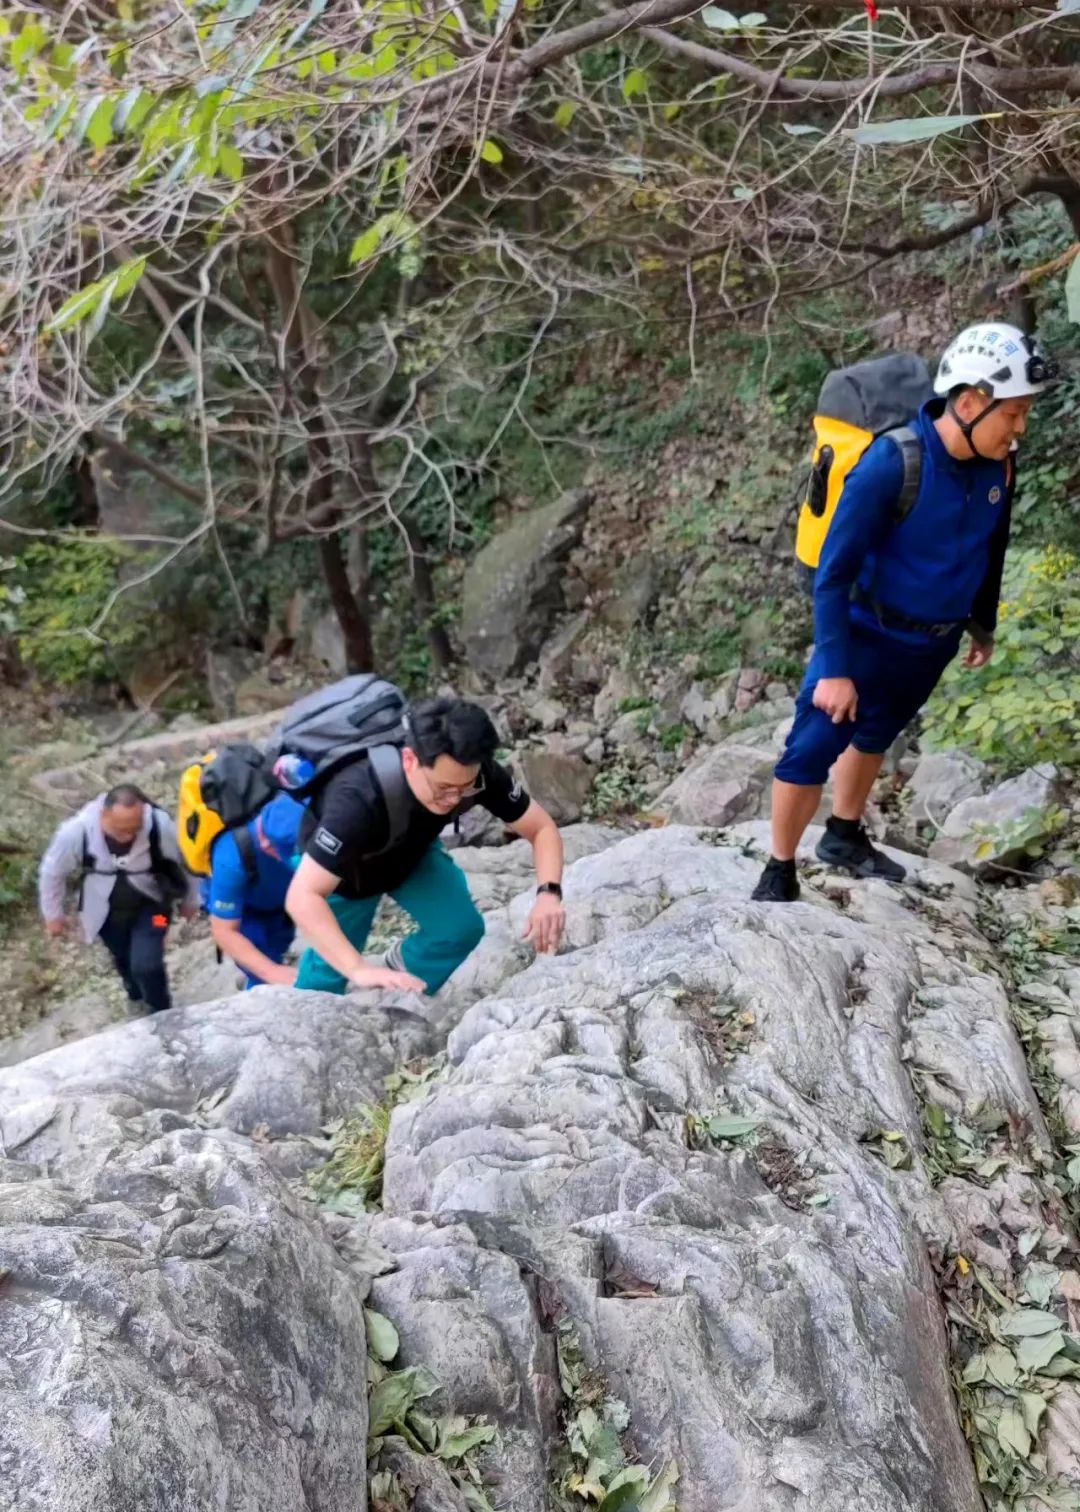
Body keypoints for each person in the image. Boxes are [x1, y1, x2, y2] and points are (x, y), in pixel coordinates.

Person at [753, 322, 1056, 903]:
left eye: (1023, 416)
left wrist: (982, 620)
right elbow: (832, 574)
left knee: (878, 732)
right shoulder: (892, 465)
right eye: (1013, 414)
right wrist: (837, 667)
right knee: (815, 742)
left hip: (930, 640)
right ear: (970, 401)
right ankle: (778, 869)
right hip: (865, 631)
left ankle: (843, 835)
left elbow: (992, 543)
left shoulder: (1000, 466)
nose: (1019, 430)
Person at [287, 696, 566, 994]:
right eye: (444, 788)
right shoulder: (357, 798)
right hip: (344, 870)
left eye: (464, 788)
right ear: (410, 760)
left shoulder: (476, 773)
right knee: (325, 979)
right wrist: (357, 968)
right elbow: (303, 897)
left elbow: (542, 828)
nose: (454, 800)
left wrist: (548, 894)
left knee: (458, 930)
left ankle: (397, 983)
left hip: (411, 851)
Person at [39, 783, 200, 1012]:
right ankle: (135, 995)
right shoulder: (76, 832)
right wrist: (53, 914)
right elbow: (52, 873)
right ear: (103, 815)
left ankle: (161, 1009)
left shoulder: (158, 824)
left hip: (155, 908)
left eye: (135, 829)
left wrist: (191, 900)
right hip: (103, 912)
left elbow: (186, 861)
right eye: (121, 830)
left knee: (148, 963)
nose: (129, 836)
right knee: (122, 957)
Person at [205, 790, 307, 988]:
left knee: (279, 944)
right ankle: (255, 985)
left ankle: (255, 975)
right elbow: (224, 931)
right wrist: (271, 972)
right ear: (267, 845)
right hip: (245, 910)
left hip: (279, 900)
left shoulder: (302, 813)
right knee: (263, 964)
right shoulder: (230, 857)